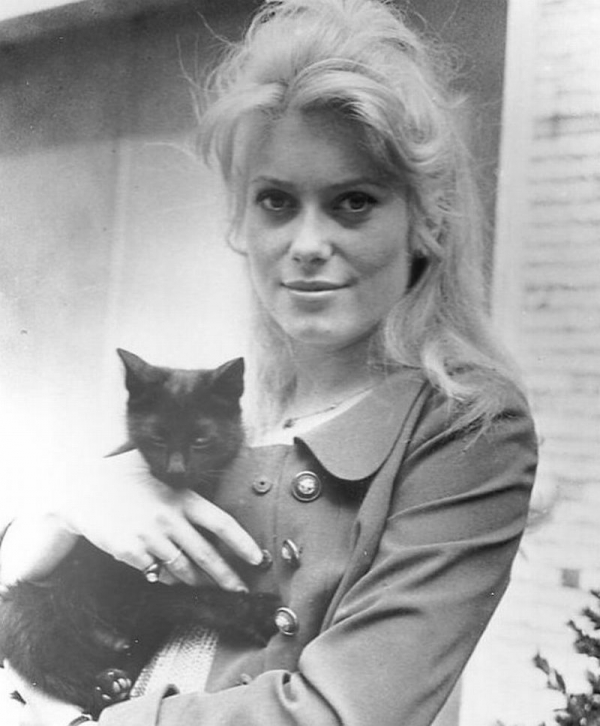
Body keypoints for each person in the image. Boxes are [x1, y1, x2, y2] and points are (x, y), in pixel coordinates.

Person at [0, 0, 538, 724]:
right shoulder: (223, 405)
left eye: (353, 202)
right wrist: (69, 507)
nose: (307, 244)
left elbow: (339, 712)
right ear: (241, 220)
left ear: (425, 220)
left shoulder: (467, 430)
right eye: (278, 201)